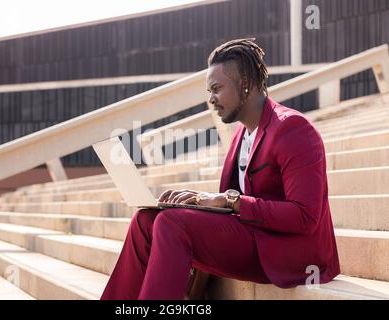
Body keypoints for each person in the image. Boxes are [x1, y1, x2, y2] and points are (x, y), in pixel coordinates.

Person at [100, 38, 340, 300]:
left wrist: (230, 201)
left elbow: (305, 216)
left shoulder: (292, 129)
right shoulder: (240, 135)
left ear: (245, 83)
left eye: (216, 89)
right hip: (254, 235)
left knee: (172, 223)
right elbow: (231, 206)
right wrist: (195, 202)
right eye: (209, 91)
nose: (211, 100)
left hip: (287, 250)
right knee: (145, 220)